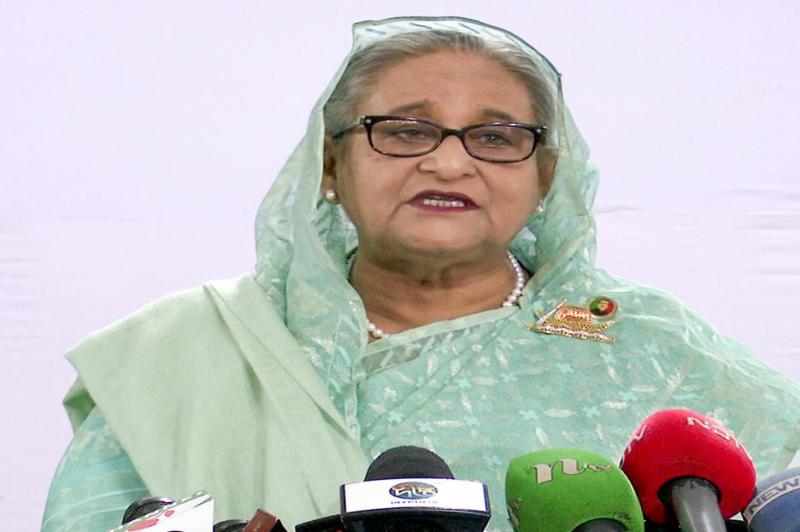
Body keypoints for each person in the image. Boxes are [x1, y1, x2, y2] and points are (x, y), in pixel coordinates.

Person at [42, 16, 800, 532]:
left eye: (496, 137)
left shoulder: (652, 347)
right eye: (405, 130)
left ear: (545, 176)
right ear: (329, 165)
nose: (448, 161)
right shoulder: (181, 354)